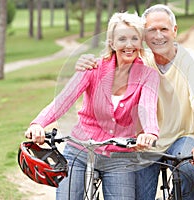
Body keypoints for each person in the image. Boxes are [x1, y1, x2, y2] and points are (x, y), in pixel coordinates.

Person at [76, 4, 194, 200]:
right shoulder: (139, 60)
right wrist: (86, 62)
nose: (158, 36)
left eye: (164, 29)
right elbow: (109, 65)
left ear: (174, 31)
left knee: (187, 168)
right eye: (151, 30)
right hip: (143, 144)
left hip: (181, 137)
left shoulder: (191, 60)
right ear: (143, 35)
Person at [24, 12, 160, 200]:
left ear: (140, 42)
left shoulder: (148, 76)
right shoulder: (93, 68)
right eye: (122, 39)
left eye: (134, 38)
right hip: (80, 150)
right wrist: (38, 124)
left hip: (119, 157)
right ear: (111, 42)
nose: (129, 45)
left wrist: (150, 132)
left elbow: (149, 107)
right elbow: (63, 100)